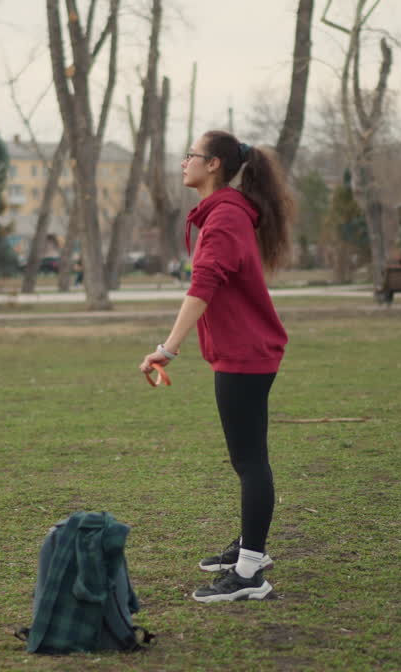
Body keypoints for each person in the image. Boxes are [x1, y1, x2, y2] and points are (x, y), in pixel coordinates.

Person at [138, 129, 292, 603]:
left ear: (215, 166)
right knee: (247, 459)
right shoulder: (223, 214)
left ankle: (250, 573)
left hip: (245, 356)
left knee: (249, 462)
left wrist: (168, 348)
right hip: (245, 353)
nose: (184, 162)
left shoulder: (224, 217)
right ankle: (250, 549)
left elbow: (201, 288)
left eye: (192, 155)